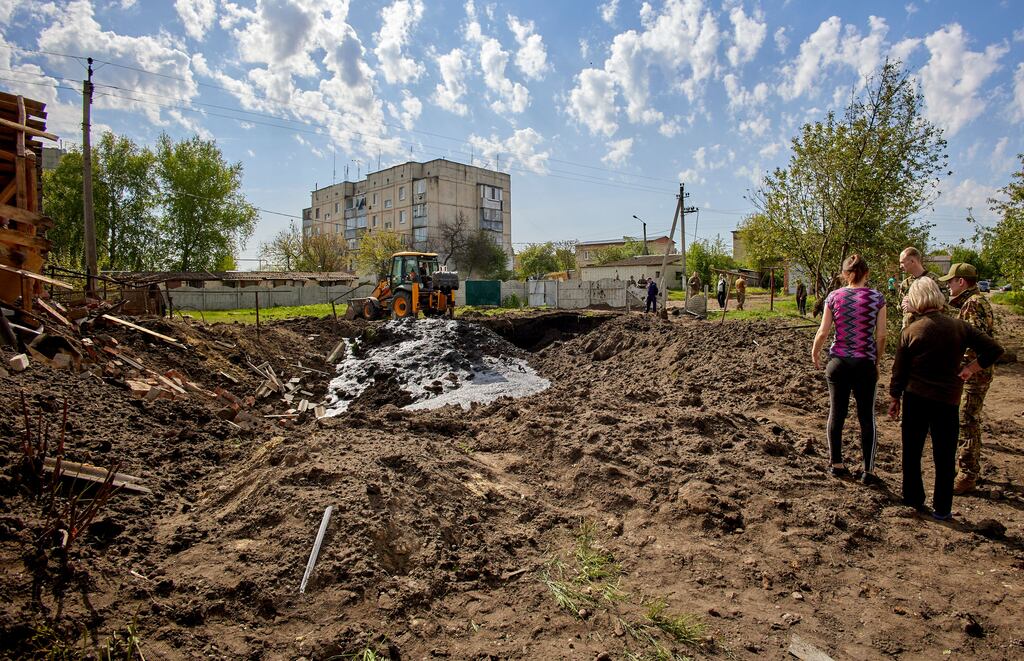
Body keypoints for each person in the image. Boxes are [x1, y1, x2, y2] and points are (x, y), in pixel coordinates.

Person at [888, 278, 1004, 520]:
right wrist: (971, 368)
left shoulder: (911, 331)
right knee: (944, 455)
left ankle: (913, 499)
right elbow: (994, 349)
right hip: (948, 399)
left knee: (912, 452)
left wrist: (894, 397)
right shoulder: (960, 327)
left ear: (917, 300)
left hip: (916, 398)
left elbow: (899, 371)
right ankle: (942, 508)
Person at [812, 255, 887, 484]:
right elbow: (881, 335)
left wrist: (815, 352)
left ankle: (836, 464)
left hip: (839, 363)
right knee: (867, 417)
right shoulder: (877, 298)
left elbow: (824, 331)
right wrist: (877, 359)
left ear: (844, 274)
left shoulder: (834, 296)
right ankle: (869, 471)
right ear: (867, 273)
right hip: (864, 364)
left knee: (837, 413)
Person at [938, 263, 997, 495]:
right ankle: (969, 469)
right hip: (977, 372)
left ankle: (967, 475)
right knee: (969, 419)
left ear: (961, 282)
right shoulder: (976, 302)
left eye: (950, 282)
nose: (949, 286)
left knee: (967, 421)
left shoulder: (972, 305)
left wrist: (968, 367)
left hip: (974, 374)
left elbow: (977, 341)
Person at [898, 247, 948, 327]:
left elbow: (945, 306)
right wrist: (903, 305)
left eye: (902, 262)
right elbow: (900, 308)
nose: (900, 266)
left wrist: (916, 308)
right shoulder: (905, 284)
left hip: (930, 328)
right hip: (909, 330)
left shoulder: (935, 280)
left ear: (912, 261)